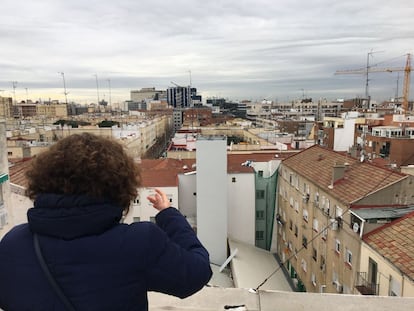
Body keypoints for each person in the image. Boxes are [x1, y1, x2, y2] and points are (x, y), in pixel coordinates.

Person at [0, 133, 212, 311]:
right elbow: (197, 272)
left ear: (43, 180)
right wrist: (169, 214)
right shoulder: (138, 243)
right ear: (118, 185)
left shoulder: (13, 244)